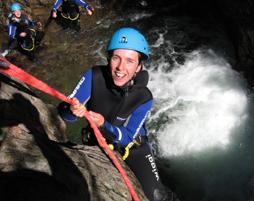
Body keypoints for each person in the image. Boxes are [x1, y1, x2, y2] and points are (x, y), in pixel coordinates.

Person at [58, 27, 179, 201]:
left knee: (156, 195)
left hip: (133, 148)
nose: (121, 67)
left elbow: (129, 136)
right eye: (116, 58)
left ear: (139, 66)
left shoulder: (143, 97)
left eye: (130, 61)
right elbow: (65, 115)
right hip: (97, 142)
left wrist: (103, 125)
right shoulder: (94, 76)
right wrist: (72, 111)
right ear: (109, 58)